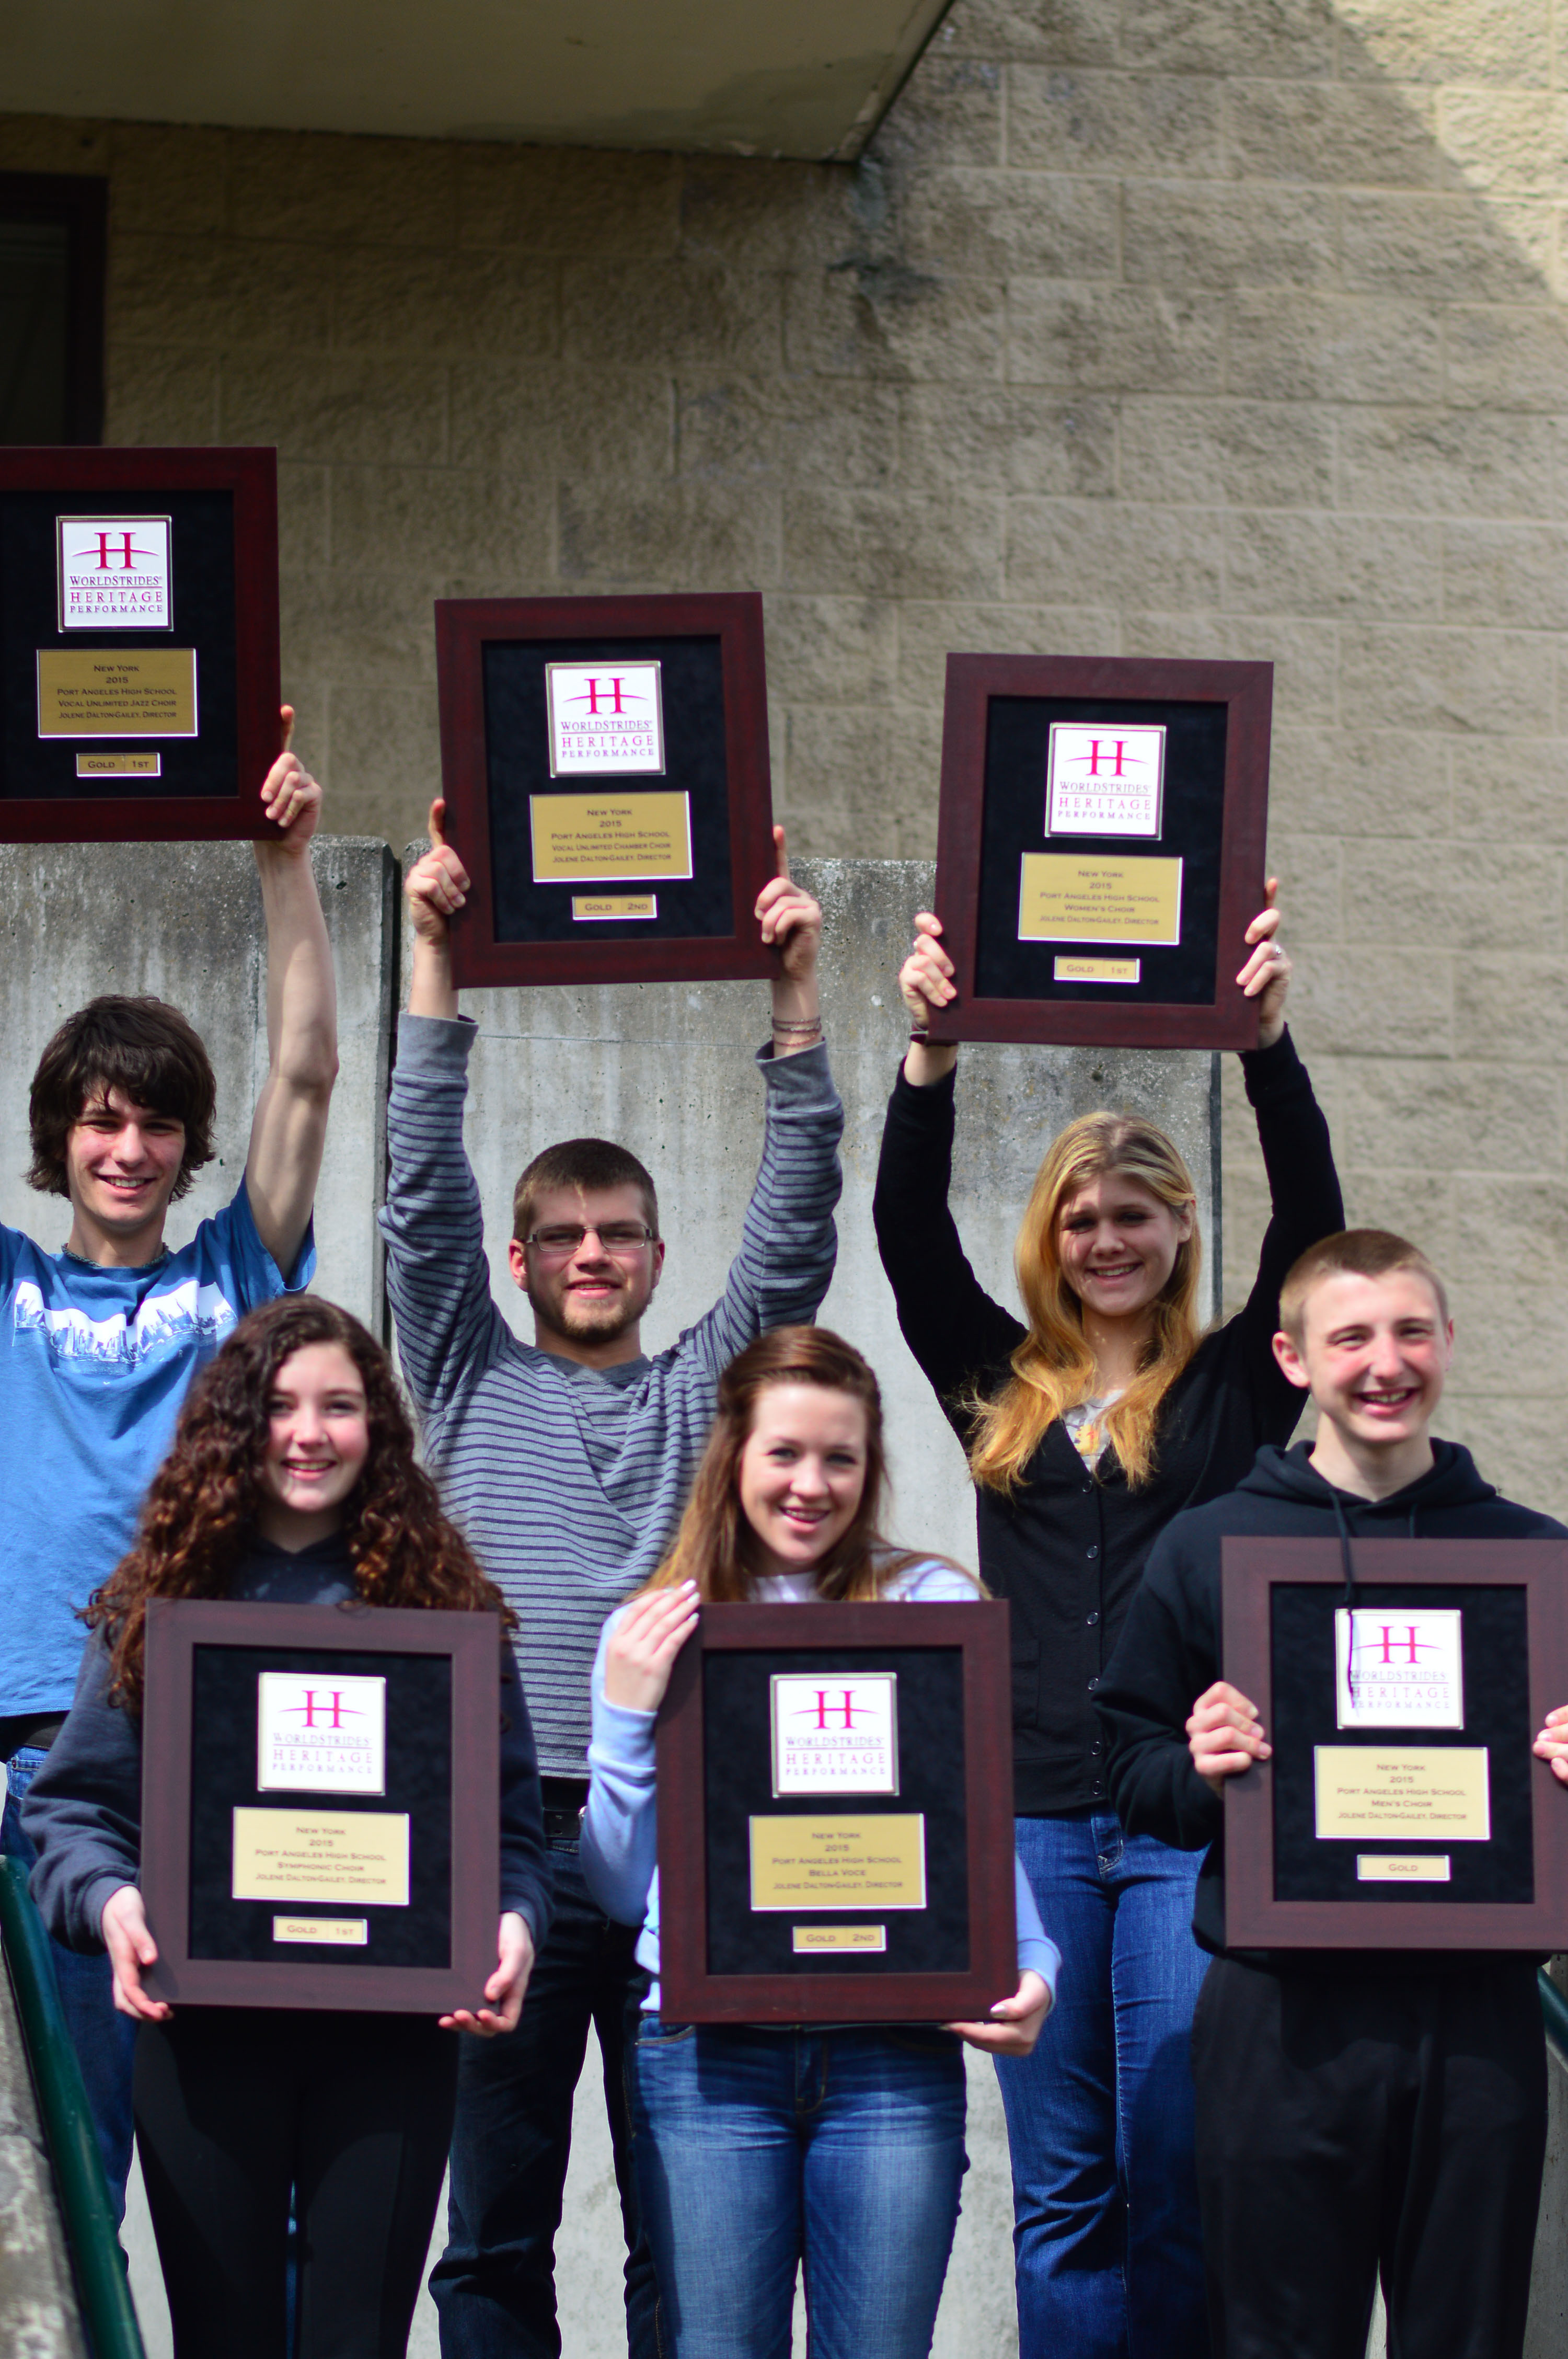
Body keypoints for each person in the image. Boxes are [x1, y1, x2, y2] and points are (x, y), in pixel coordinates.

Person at [382, 799, 844, 2358]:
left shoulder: (710, 1389)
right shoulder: (462, 1371)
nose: (593, 1254)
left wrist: (795, 994)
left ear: (655, 1257)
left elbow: (792, 1231)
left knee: (688, 2236)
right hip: (496, 1840)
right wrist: (435, 957)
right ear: (519, 1263)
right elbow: (420, 1193)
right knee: (493, 2238)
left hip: (676, 1846)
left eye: (622, 1235)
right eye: (565, 1235)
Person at [872, 885, 1342, 2359]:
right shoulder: (996, 1385)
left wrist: (1266, 1049)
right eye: (1079, 1218)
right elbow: (904, 1234)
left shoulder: (1232, 1390)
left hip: (1180, 1819)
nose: (1104, 1239)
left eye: (1132, 1215)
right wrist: (929, 1053)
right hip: (1027, 1824)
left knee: (1176, 2168)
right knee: (1065, 2190)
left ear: (1180, 1228)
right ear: (1050, 1236)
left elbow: (1314, 1226)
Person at [24, 1295, 552, 2359]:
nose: (309, 1434)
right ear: (235, 1422)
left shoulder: (446, 1610)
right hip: (205, 2037)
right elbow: (75, 1811)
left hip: (393, 2044)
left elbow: (508, 1834)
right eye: (278, 1406)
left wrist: (514, 1924)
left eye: (339, 1406)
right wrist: (112, 1902)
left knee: (359, 2344)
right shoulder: (158, 1602)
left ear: (378, 1426)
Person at [1097, 1228, 1568, 2359]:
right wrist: (1201, 1770)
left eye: (1411, 1332)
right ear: (1294, 1358)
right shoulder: (1209, 1547)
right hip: (1282, 2014)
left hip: (1478, 2017)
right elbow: (1128, 1767)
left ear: (1448, 1340)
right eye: (1350, 1337)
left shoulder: (1537, 1562)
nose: (1384, 1363)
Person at [0, 708, 336, 2217]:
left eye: (155, 1124)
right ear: (58, 1141)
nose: (128, 1148)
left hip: (220, 1735)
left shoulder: (233, 1277)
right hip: (38, 1755)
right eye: (99, 1122)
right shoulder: (7, 1282)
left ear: (190, 1143)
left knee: (232, 2182)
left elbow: (308, 1078)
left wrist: (285, 862)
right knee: (65, 2170)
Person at [580, 1324, 1060, 2359]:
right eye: (785, 1453)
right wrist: (623, 1718)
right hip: (709, 2059)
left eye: (840, 1458)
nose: (811, 1484)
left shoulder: (931, 1605)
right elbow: (619, 1892)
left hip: (893, 2055)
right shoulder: (655, 1629)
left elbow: (972, 1829)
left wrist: (1034, 1964)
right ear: (733, 1456)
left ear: (871, 1466)